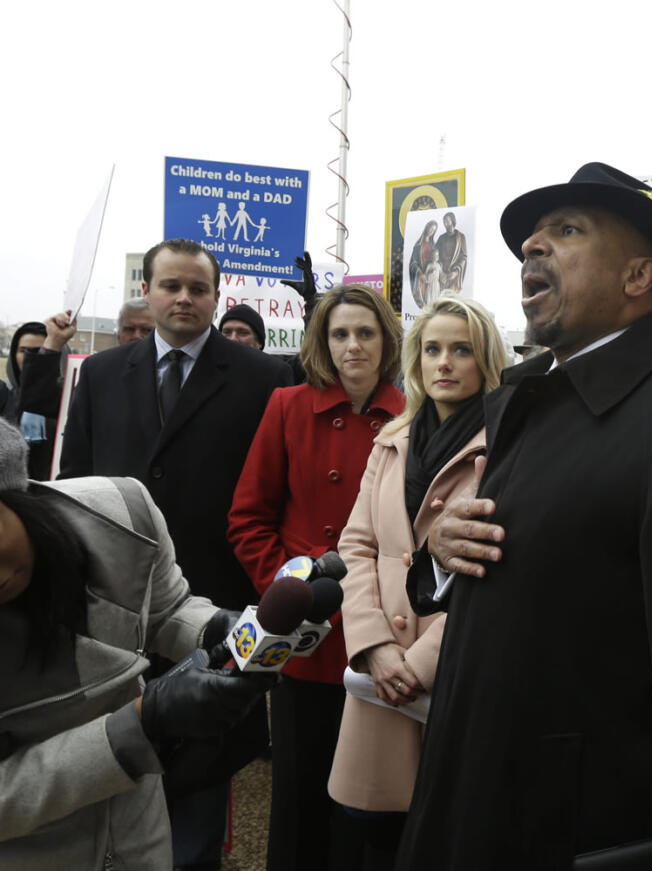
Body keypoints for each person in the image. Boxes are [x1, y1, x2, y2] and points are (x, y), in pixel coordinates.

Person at [398, 163, 652, 869]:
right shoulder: (527, 402)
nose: (532, 246)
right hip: (475, 804)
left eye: (567, 230)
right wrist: (442, 552)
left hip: (581, 832)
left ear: (639, 277)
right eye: (531, 237)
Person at [59, 237, 293, 870]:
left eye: (198, 288)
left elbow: (276, 493)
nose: (185, 298)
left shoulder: (265, 378)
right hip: (113, 605)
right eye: (172, 286)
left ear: (217, 296)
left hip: (214, 604)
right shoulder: (103, 373)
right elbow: (74, 483)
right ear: (150, 292)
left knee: (200, 765)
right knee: (113, 756)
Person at [0, 420, 269, 870]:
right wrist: (139, 727)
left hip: (141, 843)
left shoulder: (120, 515)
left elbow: (165, 608)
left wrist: (218, 631)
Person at [227, 283, 405, 871]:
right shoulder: (288, 406)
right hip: (305, 637)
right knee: (299, 792)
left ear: (386, 340)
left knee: (368, 800)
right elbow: (249, 517)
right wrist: (289, 591)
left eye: (365, 333)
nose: (352, 345)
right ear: (321, 343)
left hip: (377, 635)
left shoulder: (413, 415)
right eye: (339, 334)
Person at [327, 296, 505, 869]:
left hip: (450, 672)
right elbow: (357, 545)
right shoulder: (391, 441)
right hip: (380, 673)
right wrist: (373, 641)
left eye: (461, 349)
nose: (444, 363)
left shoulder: (507, 449)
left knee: (447, 840)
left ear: (486, 360)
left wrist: (419, 661)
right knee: (379, 836)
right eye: (432, 349)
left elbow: (498, 570)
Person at [3, 322, 53, 479]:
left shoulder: (66, 400)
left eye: (40, 351)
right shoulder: (3, 395)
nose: (30, 357)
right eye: (23, 351)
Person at [435, 210, 468, 294]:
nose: (445, 223)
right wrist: (440, 272)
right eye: (444, 221)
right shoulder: (441, 238)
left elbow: (464, 257)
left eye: (447, 221)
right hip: (442, 273)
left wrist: (456, 272)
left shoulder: (461, 237)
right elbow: (435, 255)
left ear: (452, 221)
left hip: (454, 274)